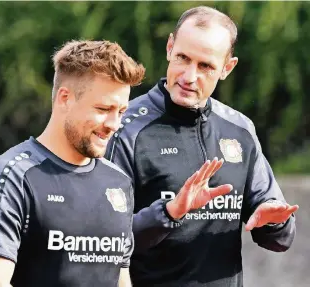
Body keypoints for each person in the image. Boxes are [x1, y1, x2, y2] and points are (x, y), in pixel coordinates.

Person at [105, 6, 299, 287]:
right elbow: (104, 240)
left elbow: (281, 238)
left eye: (205, 66)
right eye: (183, 58)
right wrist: (168, 212)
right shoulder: (125, 129)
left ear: (226, 68)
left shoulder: (240, 129)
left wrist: (273, 221)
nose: (189, 76)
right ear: (170, 48)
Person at [0, 40, 147, 287]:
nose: (114, 124)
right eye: (104, 108)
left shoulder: (119, 181)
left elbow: (120, 278)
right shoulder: (9, 176)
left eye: (121, 111)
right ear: (65, 98)